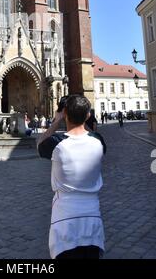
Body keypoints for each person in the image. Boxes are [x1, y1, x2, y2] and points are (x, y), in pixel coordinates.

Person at [37, 95, 106, 260]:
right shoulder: (99, 143)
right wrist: (82, 119)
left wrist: (57, 121)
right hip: (92, 217)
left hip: (65, 219)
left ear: (65, 114)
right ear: (88, 115)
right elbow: (92, 134)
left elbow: (40, 144)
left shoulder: (57, 144)